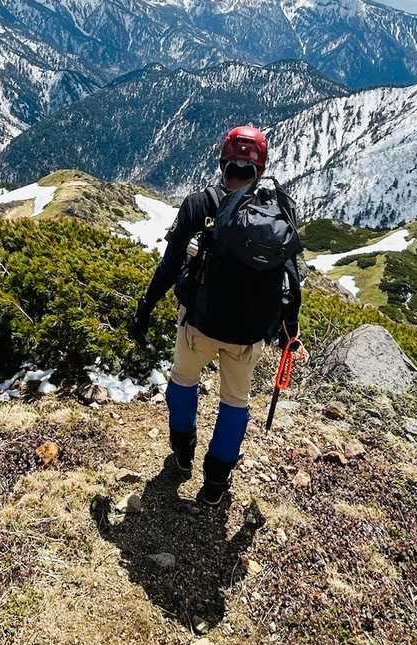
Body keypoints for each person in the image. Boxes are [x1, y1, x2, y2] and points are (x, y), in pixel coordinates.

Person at [130, 125, 303, 505]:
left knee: (183, 383)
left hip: (199, 324)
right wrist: (290, 331)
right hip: (249, 334)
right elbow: (291, 278)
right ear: (262, 167)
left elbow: (170, 264)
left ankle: (183, 451)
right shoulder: (280, 212)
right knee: (235, 402)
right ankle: (216, 483)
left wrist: (144, 308)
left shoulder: (200, 204)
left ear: (223, 161)